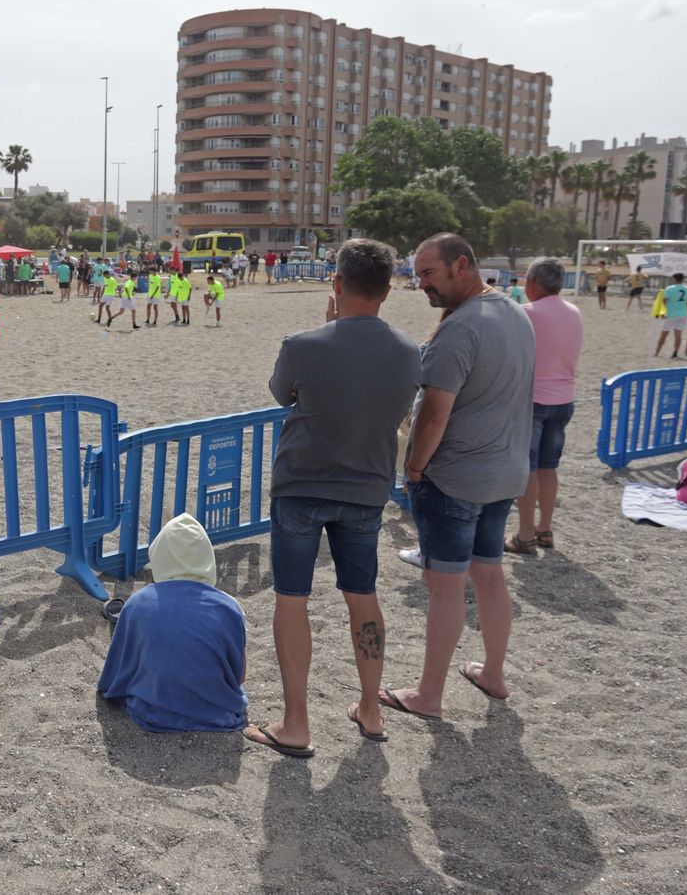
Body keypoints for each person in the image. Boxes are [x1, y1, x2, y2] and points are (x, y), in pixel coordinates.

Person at [249, 238, 419, 755]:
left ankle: (295, 722)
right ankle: (370, 708)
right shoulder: (409, 351)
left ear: (336, 283)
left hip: (303, 483)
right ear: (388, 291)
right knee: (361, 595)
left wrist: (328, 322)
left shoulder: (303, 344)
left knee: (292, 597)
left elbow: (283, 393)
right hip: (366, 486)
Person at [382, 233, 533, 721]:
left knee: (444, 586)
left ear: (461, 266)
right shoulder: (513, 312)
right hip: (505, 471)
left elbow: (434, 414)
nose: (420, 283)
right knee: (489, 576)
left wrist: (415, 469)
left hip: (456, 476)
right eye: (417, 273)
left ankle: (429, 695)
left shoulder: (460, 330)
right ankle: (493, 672)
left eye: (428, 274)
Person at [97, 513, 248, 733]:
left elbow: (118, 669)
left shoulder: (138, 603)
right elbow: (239, 674)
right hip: (218, 716)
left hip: (151, 712)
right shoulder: (230, 607)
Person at [505, 258, 582, 557]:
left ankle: (525, 534)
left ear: (533, 282)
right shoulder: (574, 312)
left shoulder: (528, 313)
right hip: (564, 398)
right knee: (549, 466)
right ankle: (544, 528)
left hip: (534, 399)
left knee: (528, 468)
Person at [655, 272, 687, 358]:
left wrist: (662, 312)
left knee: (663, 334)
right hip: (683, 314)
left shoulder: (669, 288)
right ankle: (675, 352)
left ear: (675, 279)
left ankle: (657, 352)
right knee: (678, 335)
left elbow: (664, 301)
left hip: (671, 314)